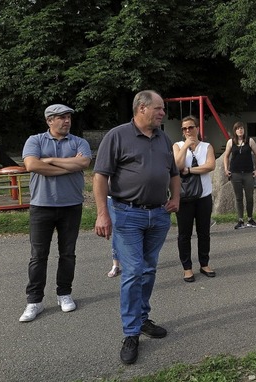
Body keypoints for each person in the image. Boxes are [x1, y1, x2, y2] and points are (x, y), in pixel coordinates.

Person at [93, 90, 180, 365]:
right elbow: (100, 176)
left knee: (149, 269)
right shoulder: (117, 136)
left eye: (162, 109)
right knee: (132, 271)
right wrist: (102, 214)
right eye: (158, 108)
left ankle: (142, 319)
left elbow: (174, 173)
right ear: (141, 108)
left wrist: (176, 197)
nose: (162, 113)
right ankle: (131, 332)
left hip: (158, 215)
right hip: (127, 214)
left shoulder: (164, 138)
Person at [18, 104, 92, 322]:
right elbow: (32, 165)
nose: (66, 121)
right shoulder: (35, 140)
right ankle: (34, 301)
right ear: (49, 121)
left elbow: (84, 162)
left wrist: (48, 161)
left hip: (71, 205)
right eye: (61, 117)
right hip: (42, 205)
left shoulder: (79, 142)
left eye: (68, 117)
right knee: (38, 256)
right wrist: (69, 166)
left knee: (68, 253)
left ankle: (64, 294)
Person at [173, 115, 216, 282]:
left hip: (204, 196)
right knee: (184, 234)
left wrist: (189, 170)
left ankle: (204, 263)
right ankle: (187, 268)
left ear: (197, 128)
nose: (188, 131)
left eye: (191, 127)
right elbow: (177, 166)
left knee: (204, 232)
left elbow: (210, 166)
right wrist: (185, 147)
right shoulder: (177, 146)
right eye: (184, 129)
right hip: (184, 197)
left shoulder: (207, 146)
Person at [222, 122, 256, 229]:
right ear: (235, 131)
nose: (240, 130)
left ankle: (250, 218)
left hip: (248, 173)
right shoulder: (230, 142)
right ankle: (240, 220)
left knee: (249, 197)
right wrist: (226, 169)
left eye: (242, 128)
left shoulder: (250, 141)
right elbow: (226, 156)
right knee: (238, 198)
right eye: (238, 129)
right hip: (235, 174)